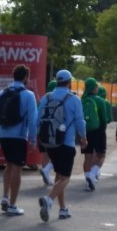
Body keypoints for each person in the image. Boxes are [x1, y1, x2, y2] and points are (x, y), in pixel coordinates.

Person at [36, 70, 87, 222]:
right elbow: (80, 121)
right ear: (69, 82)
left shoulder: (47, 97)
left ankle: (63, 209)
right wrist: (83, 138)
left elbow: (38, 119)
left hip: (50, 143)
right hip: (66, 142)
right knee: (65, 178)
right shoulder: (73, 99)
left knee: (59, 175)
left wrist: (37, 137)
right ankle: (49, 200)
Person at [0, 64, 38, 216]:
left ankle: (5, 196)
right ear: (25, 78)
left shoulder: (2, 93)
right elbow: (32, 120)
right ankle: (13, 204)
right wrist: (33, 140)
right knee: (17, 168)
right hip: (19, 136)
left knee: (8, 165)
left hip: (4, 134)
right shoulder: (28, 95)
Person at [80, 78, 107, 191]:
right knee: (101, 155)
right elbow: (104, 119)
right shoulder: (101, 101)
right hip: (98, 130)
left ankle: (87, 180)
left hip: (86, 130)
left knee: (87, 157)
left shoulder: (82, 100)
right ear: (94, 88)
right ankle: (92, 175)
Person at [38, 79, 57, 186]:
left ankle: (46, 175)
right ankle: (47, 172)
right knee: (57, 154)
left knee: (45, 154)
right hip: (52, 131)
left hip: (41, 130)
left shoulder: (43, 99)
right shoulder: (57, 99)